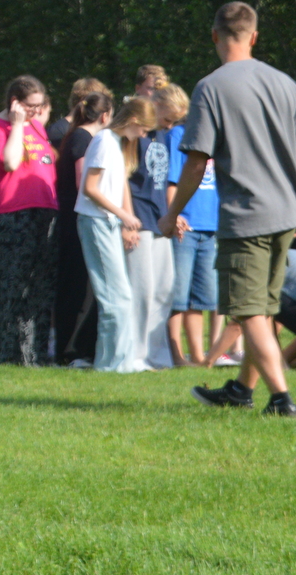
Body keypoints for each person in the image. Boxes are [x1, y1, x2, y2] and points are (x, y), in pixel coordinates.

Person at [161, 1, 296, 418]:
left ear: (214, 35)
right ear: (254, 36)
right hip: (286, 214)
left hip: (246, 215)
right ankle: (240, 391)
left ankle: (281, 399)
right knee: (262, 310)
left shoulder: (211, 87)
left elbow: (197, 162)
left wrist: (172, 212)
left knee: (247, 311)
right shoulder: (286, 84)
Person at [0, 75, 59, 367]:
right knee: (11, 289)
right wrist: (16, 125)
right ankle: (8, 357)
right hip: (8, 214)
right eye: (31, 106)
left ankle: (34, 355)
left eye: (40, 106)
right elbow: (10, 162)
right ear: (15, 103)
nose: (37, 111)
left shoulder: (37, 126)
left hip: (44, 213)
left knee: (40, 289)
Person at [77, 97, 153, 373]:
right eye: (143, 129)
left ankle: (118, 361)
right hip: (96, 222)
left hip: (106, 222)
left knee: (120, 296)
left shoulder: (115, 143)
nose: (143, 135)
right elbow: (90, 188)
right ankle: (112, 365)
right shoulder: (104, 141)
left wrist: (125, 220)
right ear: (133, 121)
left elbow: (118, 184)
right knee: (115, 297)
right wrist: (124, 215)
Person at [159, 83, 222, 367]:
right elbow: (172, 180)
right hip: (186, 224)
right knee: (178, 296)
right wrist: (174, 215)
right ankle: (175, 354)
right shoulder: (177, 135)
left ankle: (197, 355)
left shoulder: (213, 138)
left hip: (210, 225)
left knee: (202, 298)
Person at [53, 89, 112, 367]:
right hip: (76, 221)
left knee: (80, 284)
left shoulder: (78, 135)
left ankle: (75, 347)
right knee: (78, 286)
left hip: (72, 218)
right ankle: (71, 349)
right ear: (105, 116)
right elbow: (82, 182)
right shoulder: (83, 138)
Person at [127, 94, 178, 370]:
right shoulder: (135, 135)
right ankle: (135, 354)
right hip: (139, 218)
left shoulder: (161, 135)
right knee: (142, 290)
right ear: (156, 106)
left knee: (163, 289)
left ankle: (157, 355)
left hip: (159, 219)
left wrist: (172, 214)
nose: (169, 125)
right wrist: (126, 221)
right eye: (167, 118)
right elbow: (123, 179)